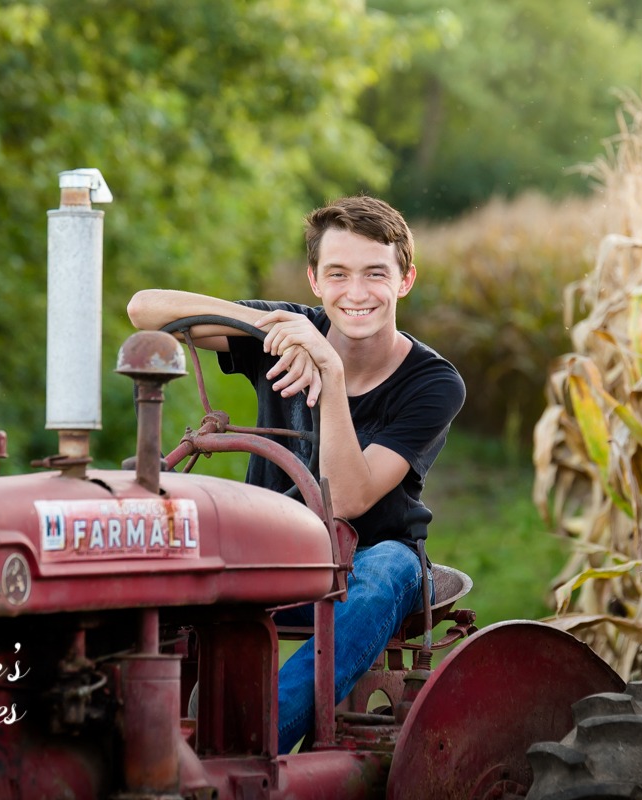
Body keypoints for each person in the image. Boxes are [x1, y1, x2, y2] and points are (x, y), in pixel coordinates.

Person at [126, 195, 465, 753]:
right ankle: (136, 733)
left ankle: (242, 744)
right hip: (272, 554)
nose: (356, 293)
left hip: (369, 564)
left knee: (389, 568)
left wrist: (328, 372)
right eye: (338, 274)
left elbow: (348, 500)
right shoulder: (286, 332)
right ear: (314, 280)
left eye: (375, 274)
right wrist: (274, 328)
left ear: (405, 279)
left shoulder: (433, 383)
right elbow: (145, 309)